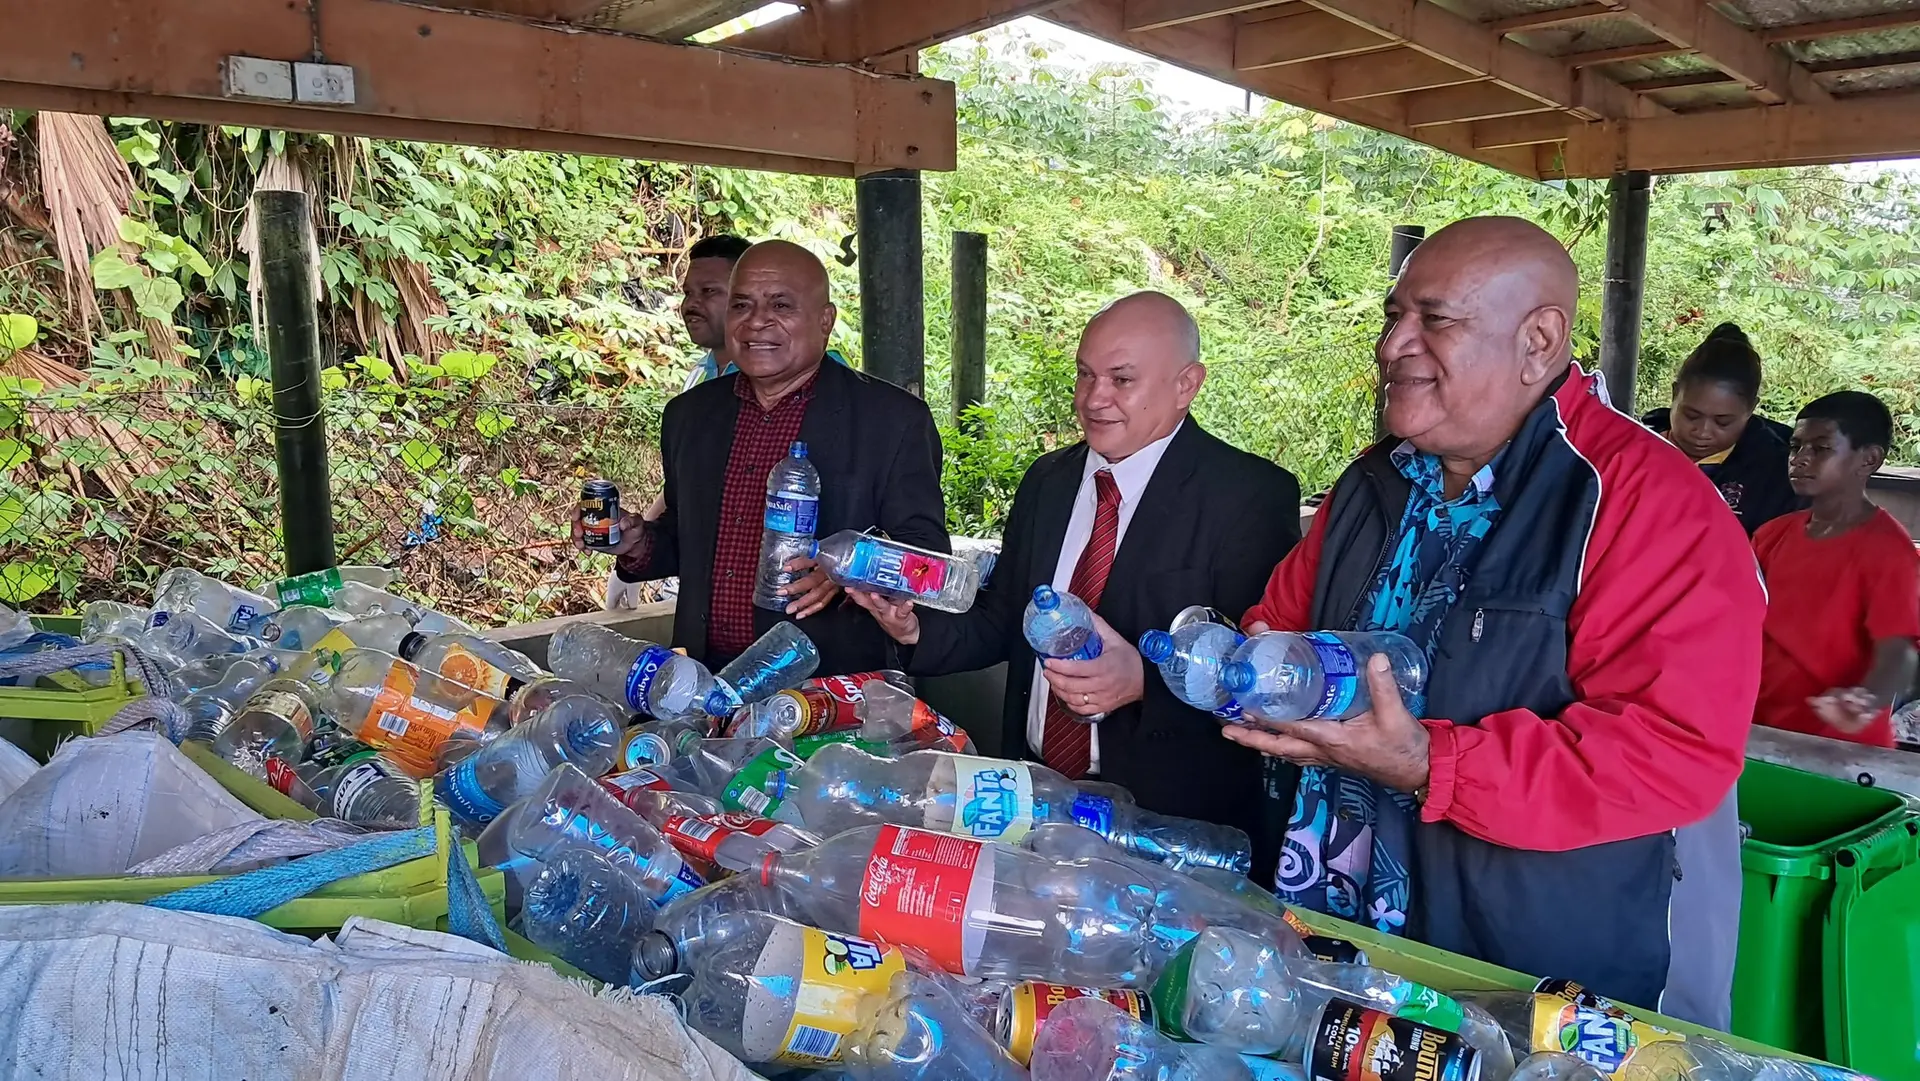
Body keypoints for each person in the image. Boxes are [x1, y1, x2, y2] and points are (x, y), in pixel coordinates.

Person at [1226, 217, 1762, 1027]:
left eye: (1434, 319)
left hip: (1524, 975)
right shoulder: (1376, 483)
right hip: (1334, 939)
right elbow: (1281, 618)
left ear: (1538, 341)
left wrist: (1431, 763)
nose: (1393, 343)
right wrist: (1255, 667)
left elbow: (1671, 752)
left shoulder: (1647, 506)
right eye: (1392, 314)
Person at [849, 292, 1301, 874]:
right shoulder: (1051, 481)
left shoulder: (1248, 496)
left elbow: (1266, 682)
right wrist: (914, 626)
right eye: (1085, 375)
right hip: (1034, 798)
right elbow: (1005, 616)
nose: (1094, 398)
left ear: (1187, 384)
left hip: (1163, 825)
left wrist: (1144, 682)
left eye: (1122, 379)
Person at [576, 239, 948, 673]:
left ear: (825, 321)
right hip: (704, 683)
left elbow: (927, 560)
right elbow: (686, 540)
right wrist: (637, 541)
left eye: (781, 306)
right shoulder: (691, 416)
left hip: (826, 689)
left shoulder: (891, 421)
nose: (756, 323)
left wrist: (852, 569)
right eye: (741, 306)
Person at [1752, 391, 1919, 748]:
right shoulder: (1771, 535)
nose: (1800, 459)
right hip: (1759, 728)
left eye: (1821, 448)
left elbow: (1899, 648)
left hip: (1837, 744)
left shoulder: (1889, 551)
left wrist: (1869, 699)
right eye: (1795, 446)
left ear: (1869, 459)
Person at [1642, 322, 1801, 534]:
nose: (1703, 432)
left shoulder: (1777, 475)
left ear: (1751, 409)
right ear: (1674, 394)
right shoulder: (1637, 448)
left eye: (1723, 422)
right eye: (1691, 416)